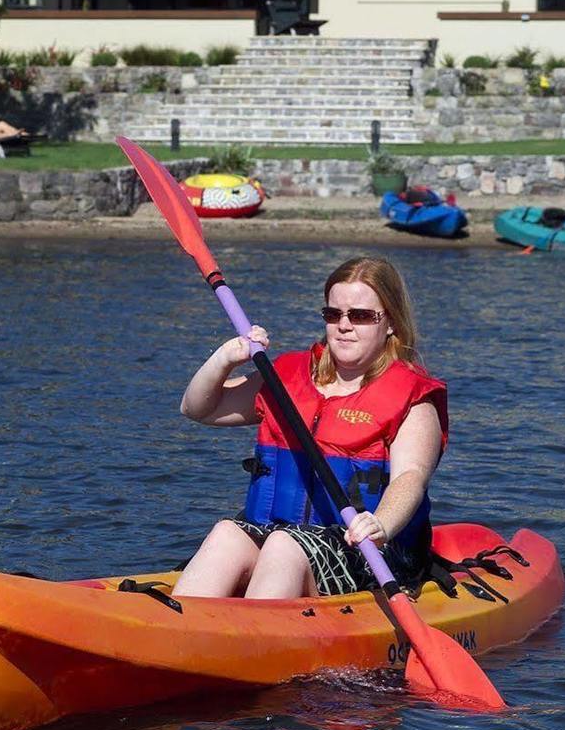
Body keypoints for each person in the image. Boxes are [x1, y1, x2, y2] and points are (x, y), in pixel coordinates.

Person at [172, 255, 447, 600]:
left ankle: (255, 640)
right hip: (278, 533)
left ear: (389, 321)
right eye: (334, 314)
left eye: (361, 316)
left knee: (285, 546)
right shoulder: (289, 376)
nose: (344, 325)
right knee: (227, 533)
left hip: (368, 552)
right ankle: (176, 632)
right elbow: (197, 409)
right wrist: (225, 358)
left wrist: (381, 524)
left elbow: (411, 478)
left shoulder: (413, 397)